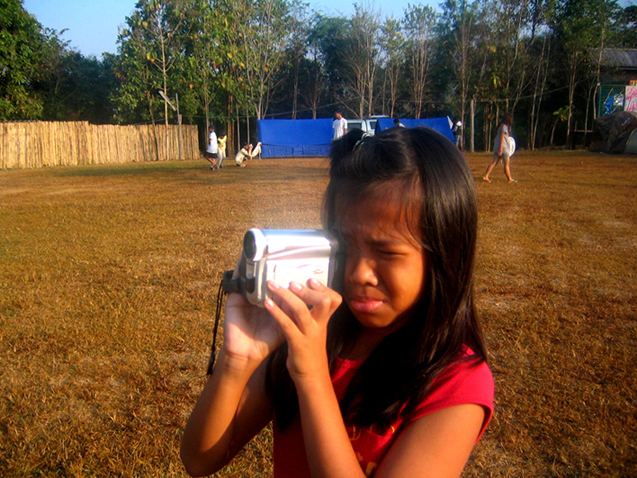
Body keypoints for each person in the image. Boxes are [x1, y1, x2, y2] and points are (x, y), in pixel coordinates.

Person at [181, 127, 494, 478]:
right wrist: (237, 360)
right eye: (344, 247)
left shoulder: (458, 383)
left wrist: (312, 377)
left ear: (445, 254)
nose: (358, 273)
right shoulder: (311, 331)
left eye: (386, 252)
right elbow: (199, 460)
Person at [483, 113, 516, 183]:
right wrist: (501, 149)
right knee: (506, 164)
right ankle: (510, 179)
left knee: (494, 162)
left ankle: (486, 176)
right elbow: (502, 137)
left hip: (497, 146)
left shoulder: (500, 126)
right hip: (503, 148)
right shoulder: (504, 127)